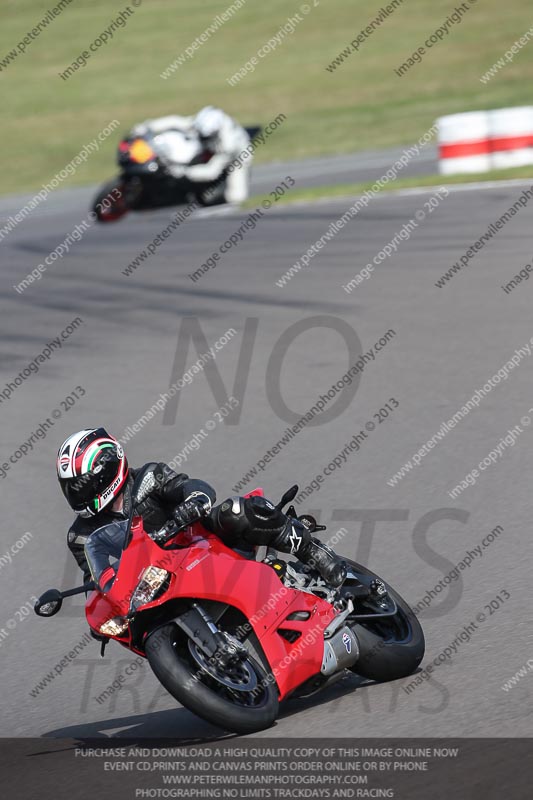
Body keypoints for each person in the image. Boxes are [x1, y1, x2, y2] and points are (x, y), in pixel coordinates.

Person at [58, 428, 347, 594]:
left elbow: (190, 486)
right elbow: (96, 580)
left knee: (236, 510)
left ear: (107, 471)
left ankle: (314, 552)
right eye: (72, 487)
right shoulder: (81, 536)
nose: (78, 493)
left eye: (82, 485)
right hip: (162, 586)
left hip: (205, 546)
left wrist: (193, 501)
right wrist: (100, 602)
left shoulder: (149, 477)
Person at [130, 106, 252, 203]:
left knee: (236, 198)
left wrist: (183, 172)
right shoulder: (205, 121)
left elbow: (211, 171)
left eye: (205, 137)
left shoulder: (228, 146)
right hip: (211, 146)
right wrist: (147, 126)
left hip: (238, 157)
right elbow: (175, 121)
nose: (201, 137)